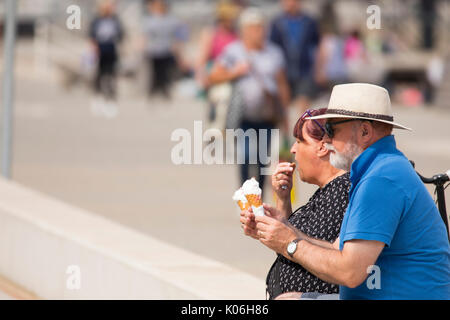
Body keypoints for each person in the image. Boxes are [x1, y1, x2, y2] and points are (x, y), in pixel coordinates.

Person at [245, 83, 450, 299]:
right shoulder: (379, 169)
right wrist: (285, 228)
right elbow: (337, 249)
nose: (326, 139)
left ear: (364, 131)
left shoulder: (381, 179)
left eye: (332, 130)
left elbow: (351, 272)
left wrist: (289, 243)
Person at [241, 108, 350, 299]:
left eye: (300, 141)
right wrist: (281, 202)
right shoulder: (328, 190)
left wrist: (283, 233)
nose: (292, 149)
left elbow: (319, 253)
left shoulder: (340, 191)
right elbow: (295, 246)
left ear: (323, 147)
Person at [208, 7, 290, 190]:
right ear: (244, 30)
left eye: (261, 27)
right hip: (243, 116)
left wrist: (285, 116)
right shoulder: (233, 51)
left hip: (267, 115)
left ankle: (258, 197)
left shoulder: (274, 52)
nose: (259, 32)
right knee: (246, 156)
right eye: (254, 28)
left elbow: (282, 84)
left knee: (262, 159)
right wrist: (235, 72)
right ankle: (245, 195)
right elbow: (213, 77)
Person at [195, 0, 240, 129]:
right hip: (216, 76)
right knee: (218, 108)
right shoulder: (211, 34)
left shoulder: (236, 35)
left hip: (233, 77)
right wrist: (202, 76)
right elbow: (202, 58)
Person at [269, 0, 320, 113]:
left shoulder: (309, 22)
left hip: (304, 70)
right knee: (284, 104)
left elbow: (317, 47)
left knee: (303, 104)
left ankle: (302, 128)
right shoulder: (277, 23)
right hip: (284, 71)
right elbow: (272, 48)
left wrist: (319, 70)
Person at [142, 0, 186, 99]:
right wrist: (143, 47)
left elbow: (177, 34)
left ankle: (164, 90)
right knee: (154, 72)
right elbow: (146, 35)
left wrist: (178, 48)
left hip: (166, 50)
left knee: (165, 72)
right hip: (154, 50)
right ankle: (153, 91)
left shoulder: (170, 20)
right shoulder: (150, 20)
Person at [89, 0, 124, 117]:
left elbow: (121, 35)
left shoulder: (115, 20)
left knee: (111, 77)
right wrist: (93, 50)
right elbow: (92, 36)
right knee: (98, 76)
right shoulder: (97, 20)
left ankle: (111, 100)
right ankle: (97, 98)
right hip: (100, 52)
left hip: (111, 51)